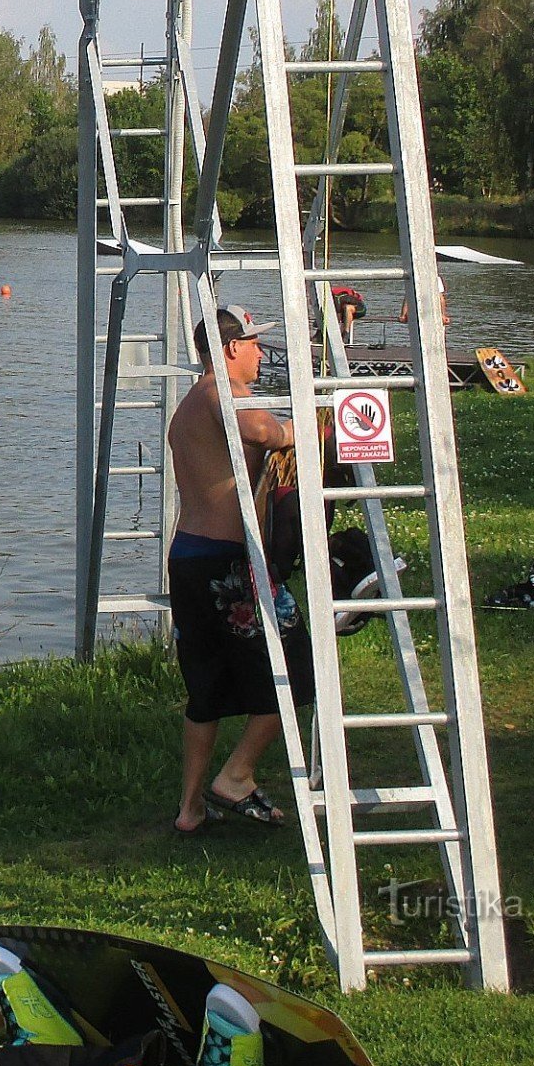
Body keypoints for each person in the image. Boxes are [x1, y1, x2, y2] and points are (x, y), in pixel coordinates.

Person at [164, 305, 314, 835]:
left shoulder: (187, 406)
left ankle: (190, 808)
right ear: (230, 348)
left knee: (205, 687)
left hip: (188, 558)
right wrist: (302, 431)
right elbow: (264, 431)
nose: (259, 353)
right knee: (299, 667)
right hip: (228, 565)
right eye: (253, 344)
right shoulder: (221, 392)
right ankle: (236, 775)